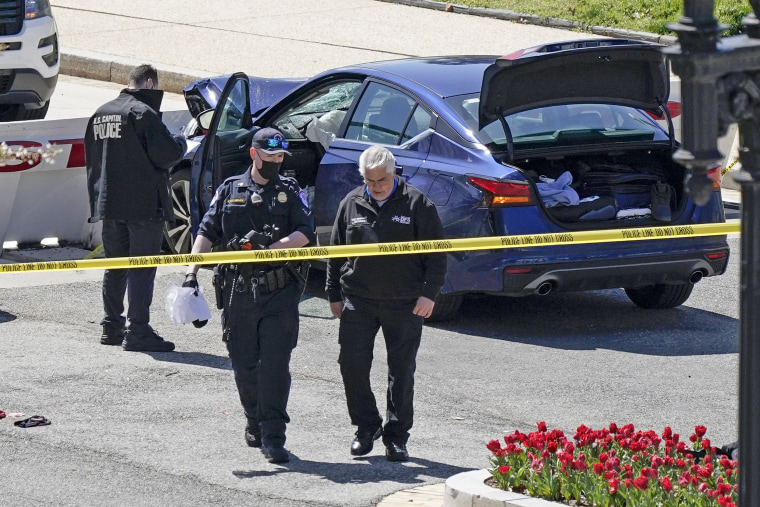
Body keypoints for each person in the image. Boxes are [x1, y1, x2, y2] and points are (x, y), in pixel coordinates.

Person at [183, 127, 314, 464]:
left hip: (279, 292)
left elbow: (305, 232)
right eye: (270, 156)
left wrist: (271, 250)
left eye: (280, 157)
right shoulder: (230, 189)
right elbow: (206, 231)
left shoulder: (289, 190)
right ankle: (253, 419)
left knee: (274, 365)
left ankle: (274, 436)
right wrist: (191, 273)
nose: (276, 162)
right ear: (254, 155)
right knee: (243, 363)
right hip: (238, 292)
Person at [326, 145, 447, 462]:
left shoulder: (417, 203)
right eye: (369, 180)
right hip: (358, 301)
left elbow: (436, 255)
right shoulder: (351, 202)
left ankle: (396, 437)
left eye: (381, 180)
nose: (376, 186)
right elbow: (335, 252)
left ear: (393, 173)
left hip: (405, 303)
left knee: (401, 372)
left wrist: (429, 293)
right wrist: (333, 295)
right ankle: (366, 428)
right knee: (351, 365)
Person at [85, 64, 186, 352]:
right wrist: (181, 141)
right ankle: (138, 330)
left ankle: (112, 327)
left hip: (109, 204)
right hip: (143, 206)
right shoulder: (143, 113)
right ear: (151, 83)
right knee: (141, 269)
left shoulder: (101, 113)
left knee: (115, 266)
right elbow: (166, 154)